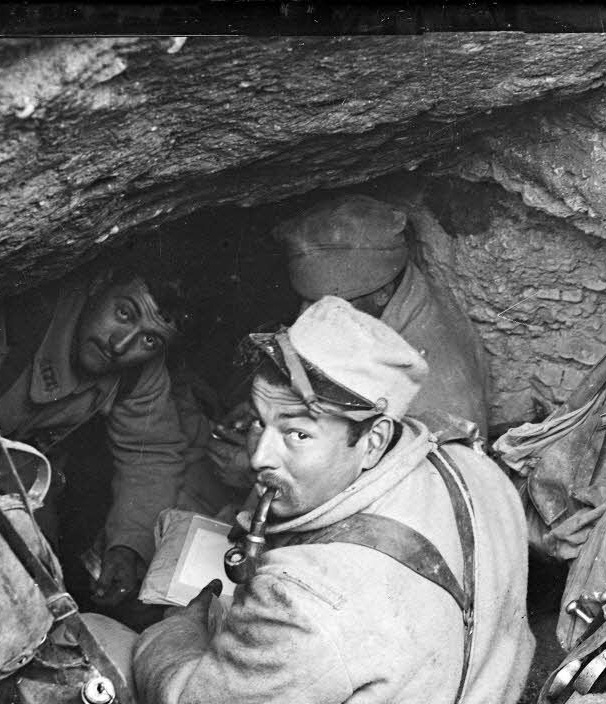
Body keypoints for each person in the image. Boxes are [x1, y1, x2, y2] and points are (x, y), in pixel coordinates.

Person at [55, 297, 534, 704]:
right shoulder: (469, 464)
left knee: (81, 653)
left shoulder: (311, 605)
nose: (260, 454)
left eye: (297, 435)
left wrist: (176, 627)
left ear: (374, 439)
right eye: (261, 421)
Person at [0, 268, 189, 608]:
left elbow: (151, 454)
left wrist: (130, 544)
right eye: (124, 313)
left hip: (24, 481)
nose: (120, 345)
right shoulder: (16, 321)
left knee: (42, 589)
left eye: (149, 340)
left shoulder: (140, 374)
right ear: (99, 283)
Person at [202, 195, 492, 503]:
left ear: (382, 293)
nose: (304, 315)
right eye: (306, 299)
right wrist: (276, 411)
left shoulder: (437, 387)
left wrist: (253, 473)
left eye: (326, 303)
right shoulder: (400, 293)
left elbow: (399, 499)